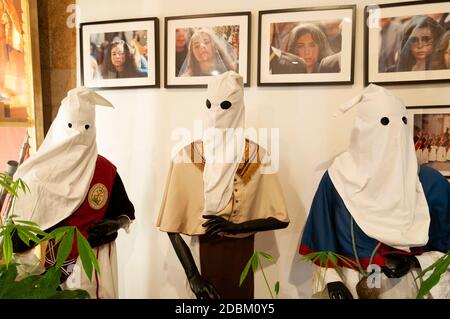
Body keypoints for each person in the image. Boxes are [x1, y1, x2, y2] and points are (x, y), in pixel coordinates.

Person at [299, 84, 450, 299]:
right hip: (352, 285)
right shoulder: (337, 179)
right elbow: (321, 238)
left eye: (402, 122)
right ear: (362, 128)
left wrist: (417, 260)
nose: (393, 132)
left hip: (410, 286)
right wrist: (332, 281)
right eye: (384, 123)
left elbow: (446, 251)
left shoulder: (431, 183)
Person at [157, 71, 289, 299]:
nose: (216, 114)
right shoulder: (186, 157)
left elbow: (279, 218)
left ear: (238, 108)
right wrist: (192, 276)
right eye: (210, 104)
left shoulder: (258, 157)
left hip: (242, 257)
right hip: (200, 254)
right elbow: (172, 223)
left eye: (225, 105)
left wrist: (236, 227)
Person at [12, 87, 135, 299]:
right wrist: (36, 274)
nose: (79, 134)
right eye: (71, 126)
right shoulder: (38, 175)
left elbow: (125, 212)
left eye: (86, 127)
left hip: (99, 259)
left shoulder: (105, 171)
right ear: (61, 127)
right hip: (58, 262)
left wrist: (115, 224)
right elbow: (20, 238)